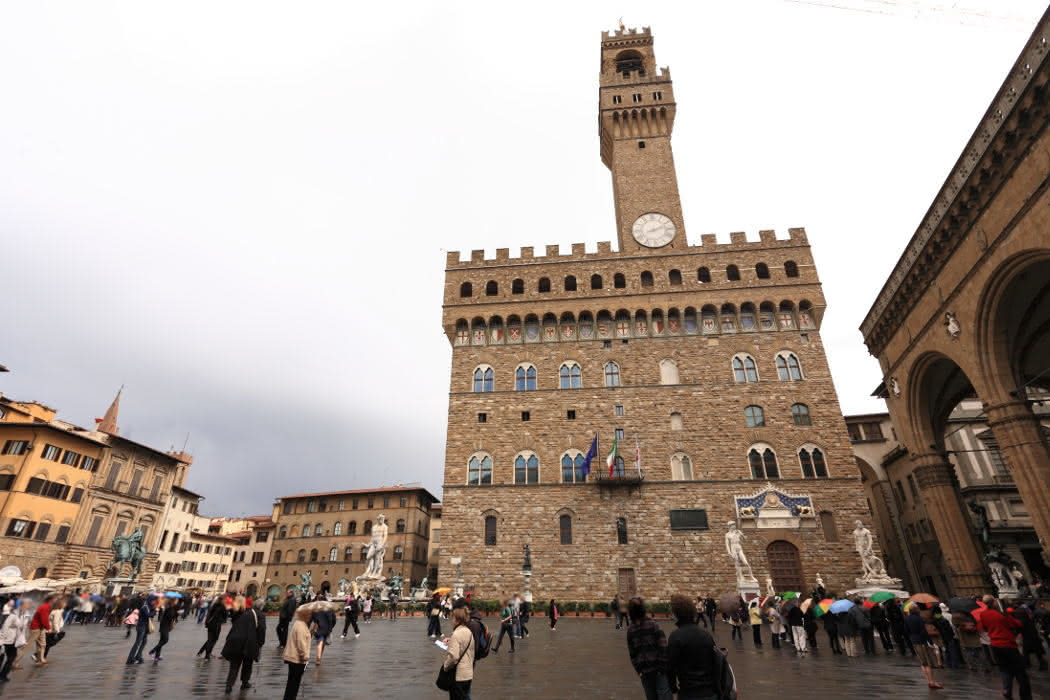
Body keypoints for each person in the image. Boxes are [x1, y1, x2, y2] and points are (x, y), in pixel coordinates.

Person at [666, 593, 719, 699]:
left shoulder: (676, 637)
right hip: (710, 692)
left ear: (677, 614)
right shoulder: (706, 634)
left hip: (689, 693)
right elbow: (715, 662)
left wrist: (673, 690)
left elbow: (670, 668)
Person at [979, 596, 1030, 700]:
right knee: (1020, 672)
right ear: (993, 602)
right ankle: (1025, 696)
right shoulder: (1002, 614)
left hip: (995, 645)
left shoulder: (983, 614)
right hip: (1008, 644)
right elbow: (1017, 624)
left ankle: (1007, 690)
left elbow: (984, 627)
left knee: (1004, 670)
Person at [626, 597, 672, 700]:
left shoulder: (651, 625)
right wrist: (639, 670)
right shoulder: (633, 629)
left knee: (662, 695)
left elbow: (663, 647)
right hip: (646, 672)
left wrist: (661, 668)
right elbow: (632, 652)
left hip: (657, 670)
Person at [220, 596, 266, 694]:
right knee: (247, 663)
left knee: (234, 665)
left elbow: (236, 625)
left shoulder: (246, 612)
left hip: (235, 640)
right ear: (262, 607)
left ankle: (229, 685)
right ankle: (245, 683)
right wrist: (261, 643)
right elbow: (261, 630)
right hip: (249, 642)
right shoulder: (260, 615)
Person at [905, 603, 944, 690]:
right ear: (916, 610)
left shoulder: (907, 618)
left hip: (914, 640)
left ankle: (928, 681)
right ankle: (931, 681)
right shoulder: (919, 619)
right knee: (928, 662)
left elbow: (906, 631)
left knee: (922, 662)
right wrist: (930, 642)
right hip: (922, 641)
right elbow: (923, 632)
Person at [441, 606, 475, 700]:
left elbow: (454, 657)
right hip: (468, 674)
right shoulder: (468, 631)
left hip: (458, 675)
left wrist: (445, 666)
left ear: (457, 620)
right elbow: (470, 651)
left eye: (453, 618)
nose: (452, 620)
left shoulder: (456, 634)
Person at [282, 607, 312, 700]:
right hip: (297, 659)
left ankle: (289, 697)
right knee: (294, 682)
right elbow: (301, 643)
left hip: (293, 658)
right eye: (309, 614)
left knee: (292, 682)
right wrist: (305, 656)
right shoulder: (301, 626)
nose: (310, 616)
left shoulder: (299, 623)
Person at [952, 608, 987, 672]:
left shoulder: (955, 617)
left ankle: (972, 666)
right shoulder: (971, 615)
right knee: (980, 652)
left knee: (968, 652)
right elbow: (976, 623)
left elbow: (956, 627)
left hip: (964, 638)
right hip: (974, 637)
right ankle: (985, 666)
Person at [0, 600, 27, 681]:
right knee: (11, 657)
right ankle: (3, 675)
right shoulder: (13, 616)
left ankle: (2, 675)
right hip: (8, 640)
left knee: (2, 657)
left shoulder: (6, 615)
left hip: (5, 640)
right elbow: (20, 625)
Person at [125, 594, 156, 665]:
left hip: (145, 627)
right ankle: (130, 659)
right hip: (141, 627)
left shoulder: (149, 606)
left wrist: (154, 610)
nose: (154, 602)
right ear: (150, 600)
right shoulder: (145, 607)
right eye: (153, 600)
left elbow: (151, 614)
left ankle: (138, 656)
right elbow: (148, 615)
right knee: (138, 643)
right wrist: (154, 612)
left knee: (144, 642)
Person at [1015, 604, 1047, 671]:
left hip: (1030, 637)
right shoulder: (1026, 617)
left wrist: (1017, 632)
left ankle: (1029, 664)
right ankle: (1037, 664)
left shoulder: (1021, 617)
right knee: (1035, 651)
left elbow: (1020, 627)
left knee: (1029, 651)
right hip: (1032, 636)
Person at [27, 594, 52, 665]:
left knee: (40, 645)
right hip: (38, 628)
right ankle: (40, 659)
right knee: (42, 644)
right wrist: (48, 628)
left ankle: (40, 659)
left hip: (37, 627)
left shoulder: (43, 606)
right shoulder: (45, 607)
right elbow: (44, 619)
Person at [43, 595, 66, 661]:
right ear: (60, 605)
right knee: (48, 644)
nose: (65, 605)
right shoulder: (57, 612)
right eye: (64, 604)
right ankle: (39, 656)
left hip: (48, 630)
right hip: (50, 630)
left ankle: (42, 657)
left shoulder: (54, 610)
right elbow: (55, 622)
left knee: (47, 645)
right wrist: (58, 631)